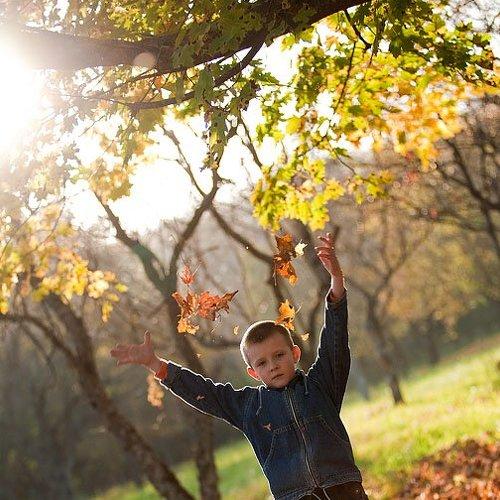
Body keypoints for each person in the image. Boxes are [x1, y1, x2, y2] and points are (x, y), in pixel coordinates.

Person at [111, 232, 369, 500]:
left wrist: (336, 281)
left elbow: (335, 343)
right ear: (252, 373)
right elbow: (206, 393)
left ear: (294, 354)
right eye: (262, 362)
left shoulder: (319, 386)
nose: (273, 366)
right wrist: (156, 364)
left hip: (344, 489)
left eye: (279, 355)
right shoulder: (250, 408)